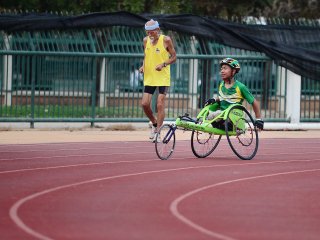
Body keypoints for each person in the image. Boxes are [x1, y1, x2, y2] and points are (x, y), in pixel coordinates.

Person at [139, 19, 177, 142]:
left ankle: (158, 131)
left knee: (160, 103)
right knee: (145, 104)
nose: (149, 34)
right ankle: (154, 123)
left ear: (158, 30)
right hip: (150, 76)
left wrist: (163, 64)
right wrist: (143, 66)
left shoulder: (166, 40)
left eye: (152, 32)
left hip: (163, 77)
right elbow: (146, 55)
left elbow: (174, 57)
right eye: (147, 32)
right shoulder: (145, 41)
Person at [205, 57, 264, 130]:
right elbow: (223, 97)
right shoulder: (221, 84)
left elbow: (254, 102)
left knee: (216, 114)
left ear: (233, 71)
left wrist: (258, 119)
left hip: (233, 115)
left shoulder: (241, 87)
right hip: (222, 114)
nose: (222, 71)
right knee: (207, 112)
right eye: (221, 69)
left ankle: (227, 125)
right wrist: (214, 99)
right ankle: (220, 125)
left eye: (225, 68)